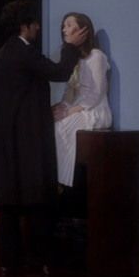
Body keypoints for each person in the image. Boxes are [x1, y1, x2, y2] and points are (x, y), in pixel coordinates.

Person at [0, 0, 87, 277]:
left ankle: (8, 262)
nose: (38, 28)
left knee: (9, 202)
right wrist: (71, 46)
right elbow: (59, 72)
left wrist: (45, 109)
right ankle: (42, 260)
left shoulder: (1, 54)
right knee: (37, 198)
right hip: (27, 137)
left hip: (7, 137)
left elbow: (18, 95)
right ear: (25, 25)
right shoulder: (23, 52)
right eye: (34, 24)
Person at [52, 13, 112, 188]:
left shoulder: (96, 56)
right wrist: (62, 107)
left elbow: (96, 93)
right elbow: (69, 90)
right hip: (77, 106)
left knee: (62, 126)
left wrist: (70, 111)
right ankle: (55, 179)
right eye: (64, 26)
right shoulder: (74, 58)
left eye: (69, 25)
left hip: (94, 110)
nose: (64, 29)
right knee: (52, 122)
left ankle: (63, 182)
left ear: (83, 30)